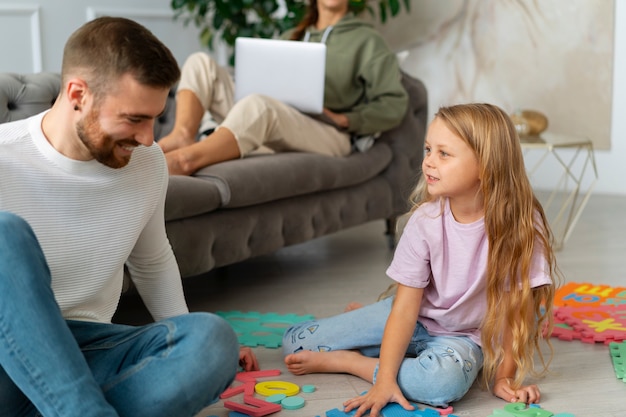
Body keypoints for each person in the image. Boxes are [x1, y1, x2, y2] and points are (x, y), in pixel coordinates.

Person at [0, 17, 258, 417]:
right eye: (134, 119)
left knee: (212, 339)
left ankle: (66, 407)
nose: (149, 138)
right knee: (4, 234)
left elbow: (152, 261)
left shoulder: (146, 163)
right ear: (78, 94)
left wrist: (188, 338)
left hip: (91, 348)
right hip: (6, 357)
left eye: (155, 117)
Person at [282, 103, 560, 417]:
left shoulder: (521, 223)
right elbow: (404, 307)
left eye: (444, 153)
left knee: (441, 385)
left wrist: (504, 376)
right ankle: (382, 338)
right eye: (428, 149)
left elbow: (515, 309)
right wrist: (384, 379)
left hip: (465, 337)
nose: (428, 162)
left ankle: (355, 362)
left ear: (486, 164)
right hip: (411, 317)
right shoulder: (426, 220)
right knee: (295, 345)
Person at [158, 0, 409, 175]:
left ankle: (187, 159)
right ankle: (182, 135)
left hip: (327, 132)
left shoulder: (367, 41)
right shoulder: (291, 35)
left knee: (260, 106)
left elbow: (394, 103)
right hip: (274, 124)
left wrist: (345, 119)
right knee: (200, 62)